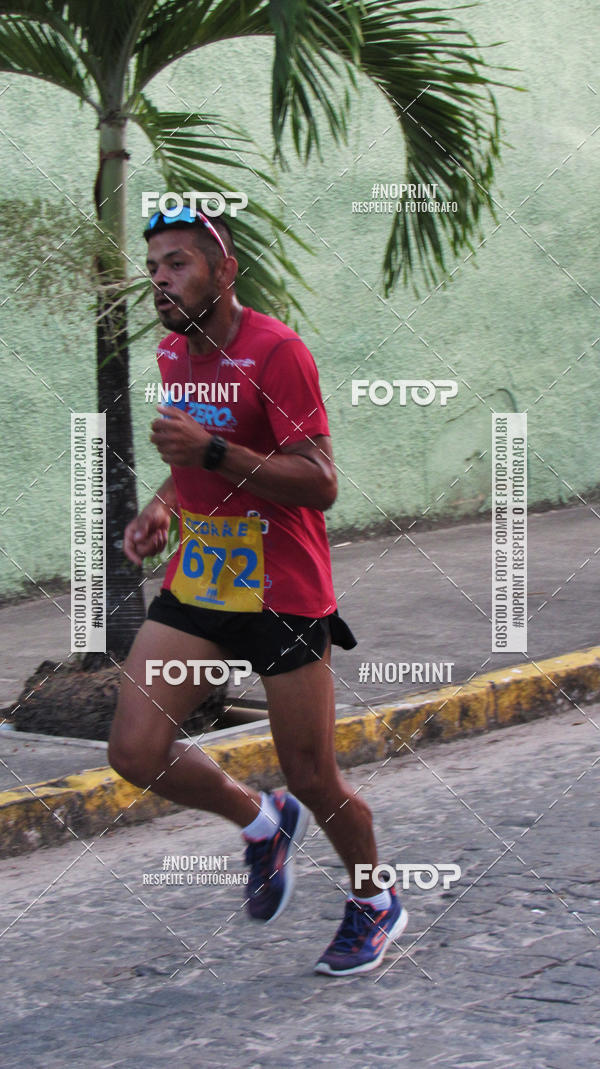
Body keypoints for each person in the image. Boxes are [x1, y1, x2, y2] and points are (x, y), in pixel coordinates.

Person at [108, 205, 408, 976]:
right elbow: (192, 471)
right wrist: (161, 511)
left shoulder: (277, 353)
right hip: (205, 580)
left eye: (178, 264)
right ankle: (260, 822)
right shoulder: (175, 353)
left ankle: (375, 899)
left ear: (223, 271)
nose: (161, 281)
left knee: (312, 772)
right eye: (154, 268)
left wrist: (215, 448)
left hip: (284, 589)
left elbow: (321, 483)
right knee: (135, 751)